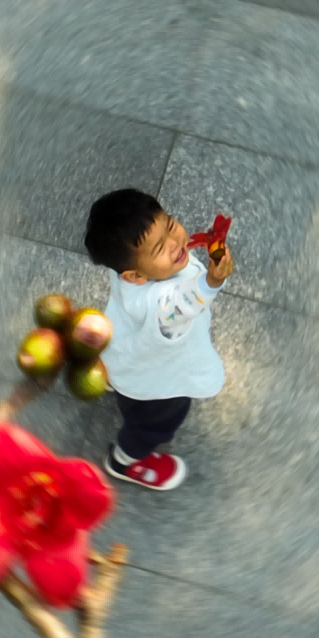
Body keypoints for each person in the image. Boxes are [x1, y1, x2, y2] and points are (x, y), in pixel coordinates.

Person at [83, 188, 233, 490]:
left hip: (127, 353)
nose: (177, 242)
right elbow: (179, 304)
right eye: (159, 248)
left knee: (127, 381)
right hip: (156, 384)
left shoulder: (130, 271)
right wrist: (211, 282)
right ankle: (125, 460)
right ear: (135, 276)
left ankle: (117, 382)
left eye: (171, 225)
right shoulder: (160, 305)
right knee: (155, 424)